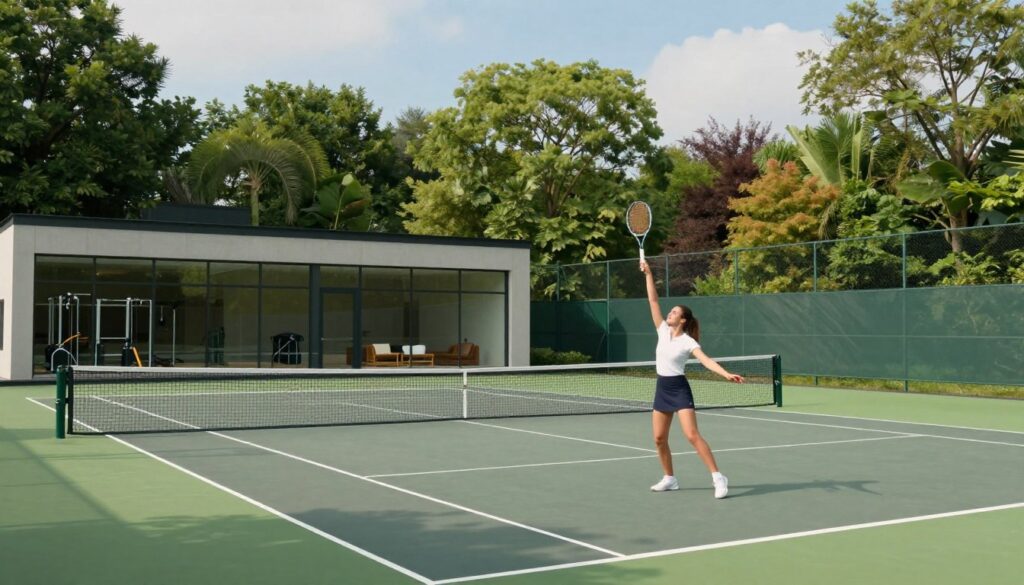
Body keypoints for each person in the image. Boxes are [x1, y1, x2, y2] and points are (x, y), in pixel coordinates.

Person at [640, 259, 744, 499]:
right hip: (661, 388)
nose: (670, 313)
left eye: (675, 312)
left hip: (678, 389)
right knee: (658, 439)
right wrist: (648, 274)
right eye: (671, 310)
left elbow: (706, 361)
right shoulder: (662, 331)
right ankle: (670, 478)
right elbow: (653, 301)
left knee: (691, 435)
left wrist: (726, 373)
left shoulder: (688, 342)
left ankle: (718, 477)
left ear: (683, 320)